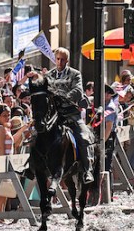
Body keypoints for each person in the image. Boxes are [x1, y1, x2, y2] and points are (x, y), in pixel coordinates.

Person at [38, 47, 93, 185]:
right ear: (54, 59)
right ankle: (32, 167)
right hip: (53, 114)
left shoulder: (75, 74)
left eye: (63, 59)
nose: (60, 62)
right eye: (58, 59)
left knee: (83, 136)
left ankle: (88, 169)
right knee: (36, 135)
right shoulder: (49, 75)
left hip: (70, 113)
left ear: (67, 60)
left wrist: (64, 97)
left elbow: (78, 90)